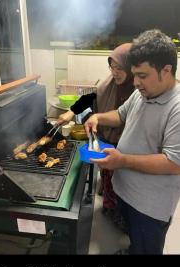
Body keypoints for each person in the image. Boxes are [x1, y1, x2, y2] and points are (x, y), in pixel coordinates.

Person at [84, 29, 180, 254]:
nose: (135, 82)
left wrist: (123, 160)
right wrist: (97, 116)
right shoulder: (143, 92)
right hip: (126, 191)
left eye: (143, 75)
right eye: (134, 74)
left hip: (150, 206)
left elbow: (175, 163)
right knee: (135, 241)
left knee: (147, 246)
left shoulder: (177, 107)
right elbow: (121, 115)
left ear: (166, 70)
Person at [57, 43, 134, 228]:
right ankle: (109, 206)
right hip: (108, 139)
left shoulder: (140, 89)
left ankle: (123, 215)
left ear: (132, 67)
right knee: (108, 175)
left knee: (124, 181)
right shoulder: (109, 84)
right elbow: (90, 98)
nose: (115, 72)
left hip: (129, 144)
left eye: (120, 68)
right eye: (112, 67)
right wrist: (70, 112)